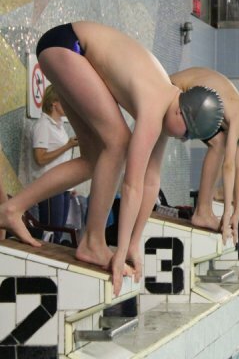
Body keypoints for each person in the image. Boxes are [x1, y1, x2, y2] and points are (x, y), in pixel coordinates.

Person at [0, 22, 224, 296]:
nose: (182, 139)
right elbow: (131, 185)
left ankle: (12, 210)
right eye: (186, 134)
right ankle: (93, 242)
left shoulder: (169, 103)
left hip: (66, 50)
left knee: (95, 159)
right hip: (67, 46)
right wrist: (117, 251)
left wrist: (132, 244)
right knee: (117, 142)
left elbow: (151, 182)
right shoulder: (156, 106)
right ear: (182, 114)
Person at [170, 68, 239, 240]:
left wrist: (236, 212)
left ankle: (203, 210)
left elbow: (237, 169)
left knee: (219, 143)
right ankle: (203, 211)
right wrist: (227, 213)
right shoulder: (237, 114)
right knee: (219, 144)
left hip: (182, 94)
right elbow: (228, 166)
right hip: (172, 91)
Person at [31, 84, 79, 242]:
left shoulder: (60, 127)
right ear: (54, 103)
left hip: (63, 186)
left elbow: (62, 160)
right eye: (64, 100)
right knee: (51, 231)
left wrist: (70, 185)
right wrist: (67, 146)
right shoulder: (43, 125)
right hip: (50, 186)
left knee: (58, 232)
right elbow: (40, 158)